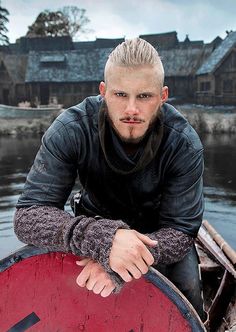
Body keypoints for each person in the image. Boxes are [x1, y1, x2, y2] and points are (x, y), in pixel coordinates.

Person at [14, 38, 205, 320]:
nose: (131, 109)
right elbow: (28, 216)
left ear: (163, 96)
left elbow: (180, 231)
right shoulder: (70, 129)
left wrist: (122, 261)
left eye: (144, 96)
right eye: (120, 95)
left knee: (189, 294)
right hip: (92, 225)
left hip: (157, 234)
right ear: (103, 92)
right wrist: (103, 240)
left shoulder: (184, 144)